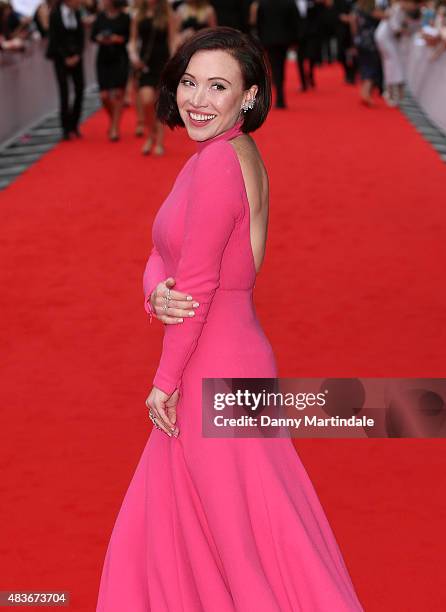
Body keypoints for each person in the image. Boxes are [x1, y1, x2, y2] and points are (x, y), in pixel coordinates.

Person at [96, 26, 365, 611]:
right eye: (190, 81)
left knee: (235, 543)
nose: (197, 98)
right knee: (237, 527)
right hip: (230, 356)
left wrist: (164, 382)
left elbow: (198, 281)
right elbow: (165, 257)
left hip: (208, 367)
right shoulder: (226, 153)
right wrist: (154, 292)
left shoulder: (217, 161)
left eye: (218, 86)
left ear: (249, 96)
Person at [128, 0, 177, 155]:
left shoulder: (168, 15)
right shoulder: (138, 15)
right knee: (146, 100)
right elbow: (133, 40)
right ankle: (152, 133)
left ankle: (158, 140)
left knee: (159, 103)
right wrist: (134, 57)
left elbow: (172, 39)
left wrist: (173, 62)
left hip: (163, 62)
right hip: (145, 64)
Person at [91, 0, 130, 141]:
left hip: (120, 58)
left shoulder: (125, 17)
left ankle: (114, 127)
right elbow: (93, 37)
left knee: (119, 93)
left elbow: (129, 37)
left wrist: (117, 39)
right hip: (103, 58)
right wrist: (101, 38)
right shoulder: (100, 17)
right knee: (104, 96)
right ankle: (114, 119)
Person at [46, 0, 85, 140]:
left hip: (76, 57)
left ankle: (74, 124)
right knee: (64, 92)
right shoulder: (55, 14)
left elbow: (81, 36)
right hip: (60, 59)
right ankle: (65, 128)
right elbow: (54, 39)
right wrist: (65, 57)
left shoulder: (77, 13)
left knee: (80, 89)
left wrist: (78, 55)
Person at [252, 0, 300, 108]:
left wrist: (261, 40)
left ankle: (278, 91)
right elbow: (295, 21)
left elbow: (259, 23)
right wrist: (295, 40)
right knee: (281, 65)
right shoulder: (289, 2)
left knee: (274, 65)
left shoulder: (263, 3)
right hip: (284, 40)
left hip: (268, 40)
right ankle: (280, 92)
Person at [374, 0, 422, 106]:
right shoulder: (396, 9)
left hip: (390, 39)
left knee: (392, 64)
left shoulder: (402, 11)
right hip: (385, 38)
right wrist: (406, 32)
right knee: (392, 64)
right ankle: (392, 93)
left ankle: (394, 93)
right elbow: (395, 28)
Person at [351, 0, 382, 105]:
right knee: (372, 67)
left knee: (364, 66)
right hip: (370, 42)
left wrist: (355, 38)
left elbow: (353, 22)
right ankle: (366, 94)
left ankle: (365, 92)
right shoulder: (371, 10)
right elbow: (385, 16)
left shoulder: (357, 8)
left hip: (360, 40)